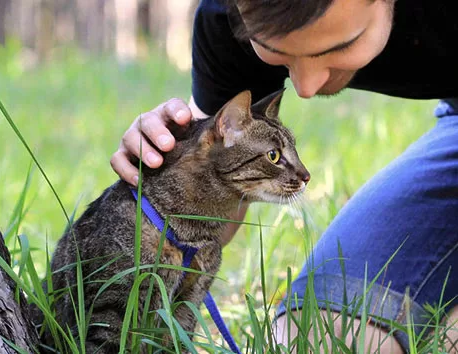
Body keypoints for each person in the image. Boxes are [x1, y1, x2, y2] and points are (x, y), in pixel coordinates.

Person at [111, 0, 458, 352]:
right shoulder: (231, 18)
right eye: (278, 53)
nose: (306, 86)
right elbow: (215, 221)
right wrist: (175, 171)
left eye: (341, 46)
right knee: (319, 338)